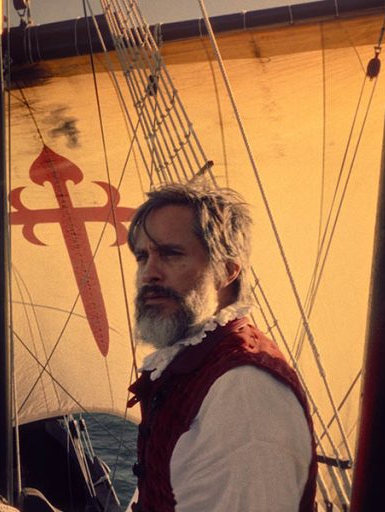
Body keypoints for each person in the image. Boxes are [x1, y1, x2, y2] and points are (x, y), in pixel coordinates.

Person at [124, 181, 316, 512]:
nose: (148, 274)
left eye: (171, 254)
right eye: (143, 257)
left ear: (226, 272)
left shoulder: (243, 392)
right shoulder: (196, 364)